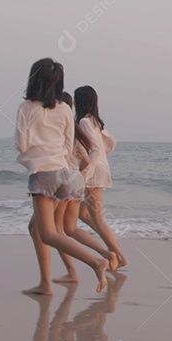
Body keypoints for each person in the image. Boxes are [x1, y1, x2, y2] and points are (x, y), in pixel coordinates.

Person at [17, 59, 108, 295]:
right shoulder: (66, 109)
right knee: (46, 230)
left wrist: (36, 154)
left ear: (33, 79)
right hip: (67, 175)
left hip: (43, 174)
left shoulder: (26, 108)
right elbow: (69, 146)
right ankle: (47, 282)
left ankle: (96, 262)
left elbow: (22, 145)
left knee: (48, 234)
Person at [50, 92, 119, 284]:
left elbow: (90, 153)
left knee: (58, 230)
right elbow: (102, 148)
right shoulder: (85, 125)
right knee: (73, 225)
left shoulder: (77, 124)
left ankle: (112, 258)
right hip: (80, 179)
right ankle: (108, 254)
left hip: (74, 178)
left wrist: (85, 174)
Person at [74, 85, 127, 269]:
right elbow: (111, 142)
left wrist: (86, 173)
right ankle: (113, 247)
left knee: (98, 219)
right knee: (82, 214)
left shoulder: (84, 122)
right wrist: (104, 159)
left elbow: (95, 150)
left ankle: (118, 255)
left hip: (93, 173)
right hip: (100, 169)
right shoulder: (96, 121)